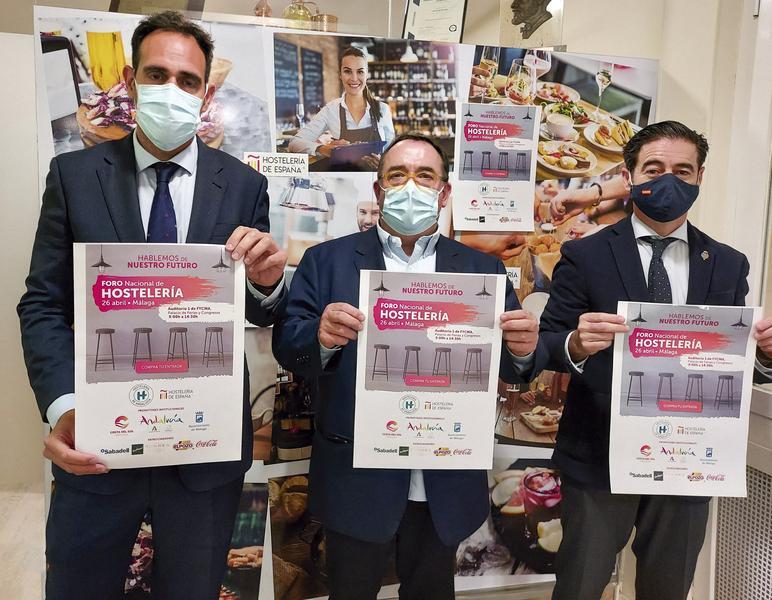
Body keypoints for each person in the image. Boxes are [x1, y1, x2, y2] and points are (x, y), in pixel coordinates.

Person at [17, 11, 287, 600]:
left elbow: (262, 311)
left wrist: (267, 283)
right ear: (129, 80)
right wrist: (64, 406)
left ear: (206, 94)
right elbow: (42, 305)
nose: (171, 89)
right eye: (156, 74)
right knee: (79, 588)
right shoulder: (74, 176)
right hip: (98, 437)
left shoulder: (244, 185)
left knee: (192, 589)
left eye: (187, 80)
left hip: (203, 448)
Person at [272, 133, 540, 600]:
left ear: (444, 191)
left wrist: (522, 349)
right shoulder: (326, 261)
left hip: (444, 481)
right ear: (378, 190)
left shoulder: (483, 271)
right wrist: (320, 337)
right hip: (358, 479)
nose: (411, 186)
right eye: (397, 175)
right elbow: (288, 348)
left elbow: (514, 368)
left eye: (425, 176)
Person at [534, 120, 772, 600]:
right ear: (629, 175)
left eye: (682, 171)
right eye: (654, 168)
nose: (668, 180)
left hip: (690, 458)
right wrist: (577, 343)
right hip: (598, 456)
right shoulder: (584, 254)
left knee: (668, 588)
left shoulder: (728, 264)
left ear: (700, 177)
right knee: (580, 586)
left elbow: (733, 359)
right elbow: (548, 344)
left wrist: (764, 356)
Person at [288, 46, 395, 171]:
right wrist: (324, 149)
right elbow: (294, 143)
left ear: (367, 74)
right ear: (340, 74)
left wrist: (383, 163)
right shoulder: (330, 110)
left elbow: (392, 152)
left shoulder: (383, 110)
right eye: (347, 71)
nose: (354, 78)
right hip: (343, 180)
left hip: (374, 180)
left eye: (360, 72)